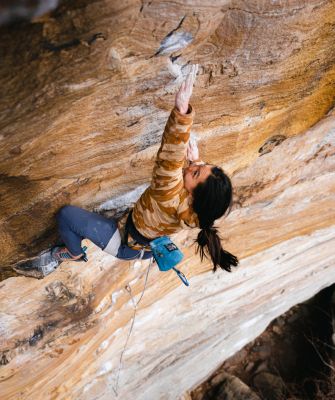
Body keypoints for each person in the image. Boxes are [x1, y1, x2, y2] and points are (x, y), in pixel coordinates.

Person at [22, 64, 238, 276]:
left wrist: (182, 112)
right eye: (201, 166)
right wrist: (196, 162)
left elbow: (169, 159)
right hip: (147, 243)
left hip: (124, 244)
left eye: (196, 173)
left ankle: (74, 253)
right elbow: (194, 179)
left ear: (193, 195)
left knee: (67, 216)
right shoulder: (201, 214)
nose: (193, 166)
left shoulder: (169, 195)